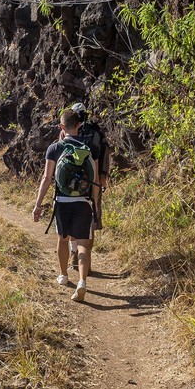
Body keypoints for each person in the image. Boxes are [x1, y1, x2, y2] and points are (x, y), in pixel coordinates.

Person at [33, 107, 98, 302]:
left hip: (62, 200)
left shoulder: (55, 148)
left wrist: (38, 204)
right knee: (83, 244)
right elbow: (94, 180)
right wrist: (94, 204)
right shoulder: (89, 148)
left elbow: (47, 178)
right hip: (84, 201)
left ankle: (63, 275)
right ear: (79, 125)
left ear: (62, 126)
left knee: (63, 238)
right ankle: (82, 281)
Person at [68, 100, 110, 277]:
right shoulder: (96, 132)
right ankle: (86, 262)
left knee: (72, 216)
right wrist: (103, 177)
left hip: (72, 183)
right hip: (93, 182)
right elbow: (104, 154)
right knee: (90, 217)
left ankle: (74, 256)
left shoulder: (68, 131)